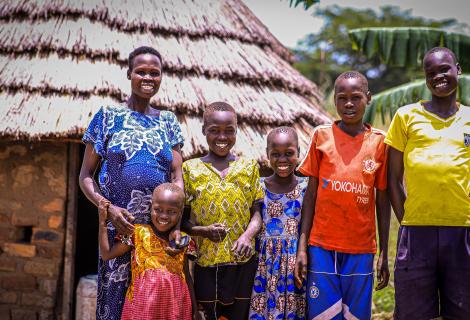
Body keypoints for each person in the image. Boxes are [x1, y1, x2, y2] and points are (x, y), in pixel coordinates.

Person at [79, 46, 184, 319]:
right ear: (129, 74)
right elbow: (85, 177)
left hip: (157, 234)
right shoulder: (107, 117)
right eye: (141, 72)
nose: (148, 77)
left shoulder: (169, 122)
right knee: (114, 305)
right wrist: (109, 209)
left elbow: (177, 178)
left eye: (154, 73)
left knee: (155, 306)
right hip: (119, 230)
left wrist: (175, 228)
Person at [295, 71, 391, 320]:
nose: (349, 104)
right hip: (322, 248)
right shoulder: (321, 136)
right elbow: (311, 196)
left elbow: (382, 200)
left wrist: (382, 252)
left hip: (360, 249)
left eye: (356, 97)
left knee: (355, 316)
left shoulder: (380, 142)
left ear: (368, 98)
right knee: (323, 315)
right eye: (342, 98)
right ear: (335, 100)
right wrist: (302, 248)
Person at [386, 47, 470, 319]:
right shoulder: (406, 117)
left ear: (457, 69)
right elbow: (393, 178)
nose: (438, 76)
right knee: (412, 314)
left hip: (463, 233)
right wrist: (407, 220)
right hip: (416, 235)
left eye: (444, 69)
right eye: (430, 73)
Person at [182, 101, 264, 320]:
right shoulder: (190, 169)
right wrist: (203, 231)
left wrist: (247, 236)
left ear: (236, 131)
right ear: (203, 131)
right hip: (206, 262)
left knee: (241, 316)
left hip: (243, 262)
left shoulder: (249, 167)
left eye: (229, 131)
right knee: (208, 315)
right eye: (214, 131)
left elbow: (256, 212)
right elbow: (182, 221)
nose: (222, 137)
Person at [98, 183, 199, 320]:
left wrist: (195, 309)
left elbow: (187, 275)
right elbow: (107, 254)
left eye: (171, 211)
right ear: (150, 208)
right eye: (158, 209)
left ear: (180, 214)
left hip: (176, 308)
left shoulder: (182, 240)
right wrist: (102, 222)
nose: (164, 216)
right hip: (141, 309)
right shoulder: (137, 233)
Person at [249, 127, 308, 320]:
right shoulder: (258, 186)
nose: (282, 159)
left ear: (298, 153)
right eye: (275, 154)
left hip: (295, 264)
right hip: (265, 266)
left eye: (289, 153)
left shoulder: (306, 187)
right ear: (267, 155)